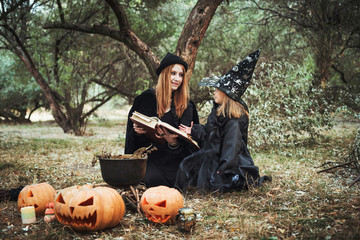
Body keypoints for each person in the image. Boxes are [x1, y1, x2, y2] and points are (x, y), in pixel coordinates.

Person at [176, 49, 270, 193]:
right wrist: (193, 130)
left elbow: (231, 151)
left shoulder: (235, 122)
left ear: (226, 94)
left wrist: (220, 173)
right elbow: (209, 132)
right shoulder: (219, 112)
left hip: (229, 165)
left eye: (217, 89)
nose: (214, 92)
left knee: (206, 176)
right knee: (186, 164)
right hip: (216, 156)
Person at [125, 52, 199, 188]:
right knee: (150, 177)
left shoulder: (187, 105)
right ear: (164, 74)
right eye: (173, 73)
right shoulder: (145, 99)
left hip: (175, 160)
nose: (177, 78)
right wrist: (137, 132)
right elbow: (132, 144)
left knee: (174, 178)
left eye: (181, 74)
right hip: (150, 158)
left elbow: (190, 148)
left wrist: (173, 142)